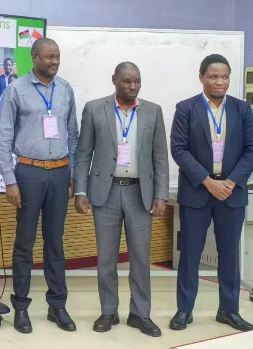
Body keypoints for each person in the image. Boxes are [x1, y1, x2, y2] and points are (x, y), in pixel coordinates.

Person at [74, 62, 169, 337]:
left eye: (137, 81)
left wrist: (161, 194)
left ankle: (140, 314)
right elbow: (84, 153)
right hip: (106, 192)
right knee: (106, 258)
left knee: (141, 257)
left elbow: (160, 156)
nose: (132, 86)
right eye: (127, 81)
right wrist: (80, 191)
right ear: (114, 80)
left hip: (141, 193)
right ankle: (108, 311)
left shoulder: (153, 110)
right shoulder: (94, 108)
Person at [169, 54, 253, 333]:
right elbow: (179, 149)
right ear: (201, 77)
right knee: (190, 254)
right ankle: (184, 310)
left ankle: (229, 310)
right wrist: (208, 182)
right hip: (197, 192)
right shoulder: (186, 108)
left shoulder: (241, 109)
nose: (219, 82)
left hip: (231, 194)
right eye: (213, 77)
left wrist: (230, 182)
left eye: (224, 77)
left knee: (230, 254)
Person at [0, 37, 78, 334]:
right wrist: (10, 181)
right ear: (34, 58)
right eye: (49, 57)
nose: (55, 62)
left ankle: (57, 305)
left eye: (57, 56)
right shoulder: (16, 89)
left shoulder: (65, 89)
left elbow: (73, 134)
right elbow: (3, 138)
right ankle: (21, 307)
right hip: (28, 173)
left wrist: (72, 174)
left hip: (59, 173)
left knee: (55, 242)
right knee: (25, 243)